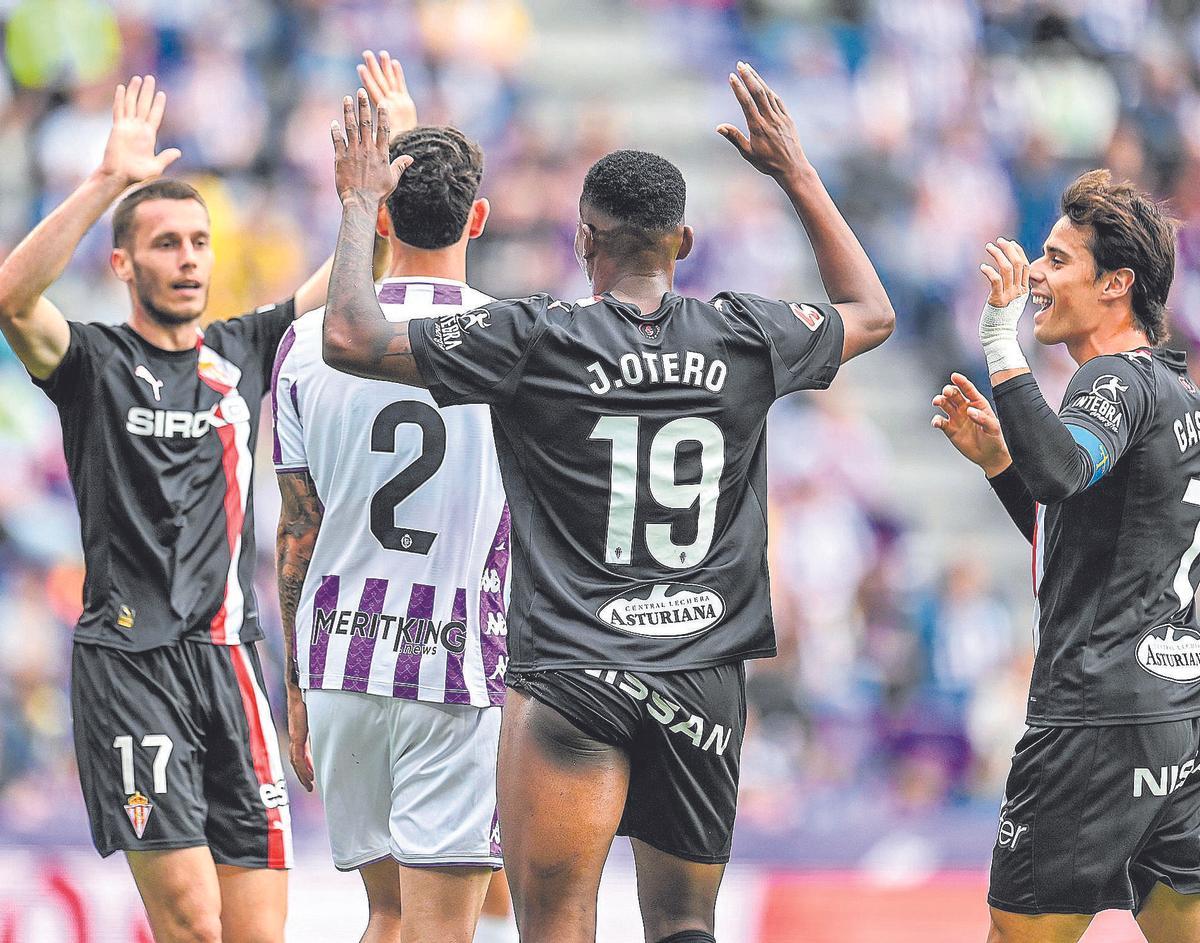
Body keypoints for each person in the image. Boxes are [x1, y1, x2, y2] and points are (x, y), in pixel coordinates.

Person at [321, 60, 895, 943]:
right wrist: (795, 172)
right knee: (683, 925)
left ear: (584, 240)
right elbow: (870, 310)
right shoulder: (746, 334)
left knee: (556, 923)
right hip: (701, 672)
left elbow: (352, 335)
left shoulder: (537, 337)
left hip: (572, 672)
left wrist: (362, 200)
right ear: (685, 242)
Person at [0, 56, 406, 943]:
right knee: (191, 923)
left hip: (230, 664)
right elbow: (9, 297)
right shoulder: (94, 364)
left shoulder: (243, 349)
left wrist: (372, 176)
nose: (187, 260)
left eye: (198, 242)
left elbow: (356, 278)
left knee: (258, 934)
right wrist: (107, 179)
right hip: (131, 665)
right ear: (122, 262)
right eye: (164, 243)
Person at [932, 170, 1200, 943]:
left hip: (1093, 719)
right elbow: (1084, 544)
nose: (1036, 277)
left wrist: (997, 338)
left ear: (1116, 282)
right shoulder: (1179, 392)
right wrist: (999, 465)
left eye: (1056, 260)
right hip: (1175, 722)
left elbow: (1061, 471)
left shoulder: (1112, 379)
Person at [274, 116, 516, 942]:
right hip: (456, 667)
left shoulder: (304, 345)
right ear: (476, 220)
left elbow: (296, 528)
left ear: (378, 218)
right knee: (444, 927)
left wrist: (298, 681)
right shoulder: (518, 338)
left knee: (385, 915)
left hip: (341, 654)